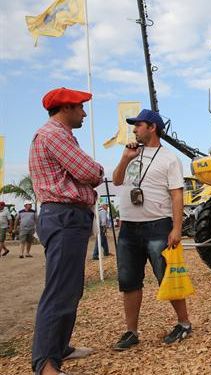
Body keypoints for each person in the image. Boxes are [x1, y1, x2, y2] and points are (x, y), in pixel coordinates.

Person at [29, 87, 104, 375]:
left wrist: (90, 172)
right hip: (64, 216)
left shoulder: (57, 135)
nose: (84, 113)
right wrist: (94, 172)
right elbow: (90, 172)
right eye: (80, 107)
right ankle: (46, 364)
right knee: (60, 291)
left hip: (64, 217)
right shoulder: (54, 135)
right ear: (65, 109)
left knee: (69, 289)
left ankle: (58, 349)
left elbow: (86, 171)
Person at [112, 109, 191, 350]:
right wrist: (125, 158)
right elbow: (116, 180)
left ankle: (184, 323)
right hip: (128, 226)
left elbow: (177, 194)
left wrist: (177, 228)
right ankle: (131, 331)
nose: (135, 129)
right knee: (129, 280)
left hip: (158, 225)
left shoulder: (169, 158)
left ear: (152, 127)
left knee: (167, 277)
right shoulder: (131, 153)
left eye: (138, 124)